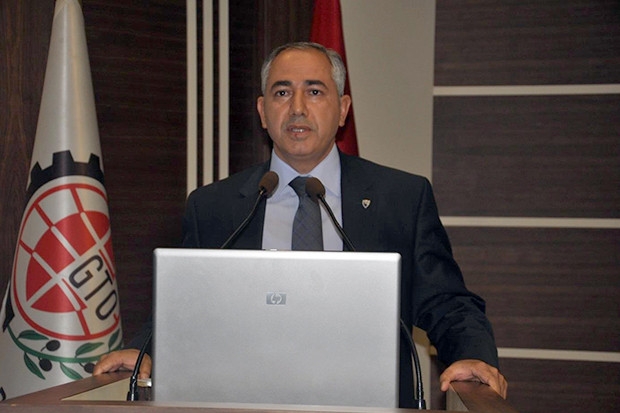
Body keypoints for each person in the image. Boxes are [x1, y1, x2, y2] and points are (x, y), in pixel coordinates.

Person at [94, 42, 507, 406]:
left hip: (368, 403)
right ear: (263, 111)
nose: (296, 108)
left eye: (314, 91)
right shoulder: (213, 206)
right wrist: (143, 351)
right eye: (281, 92)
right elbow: (183, 306)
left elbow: (446, 302)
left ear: (342, 109)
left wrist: (472, 356)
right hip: (238, 402)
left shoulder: (399, 198)